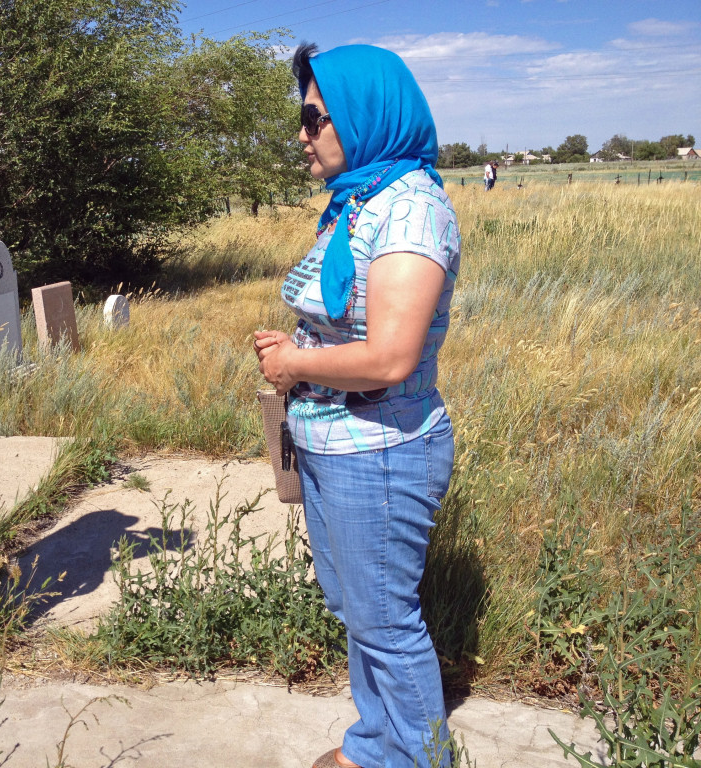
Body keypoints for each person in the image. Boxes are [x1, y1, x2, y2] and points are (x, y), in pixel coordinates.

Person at [254, 43, 460, 768]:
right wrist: (301, 342)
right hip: (339, 443)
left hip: (380, 449)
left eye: (315, 118)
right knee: (359, 614)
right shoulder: (362, 201)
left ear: (367, 115)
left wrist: (295, 364)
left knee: (385, 621)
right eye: (302, 119)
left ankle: (415, 758)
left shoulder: (410, 212)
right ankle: (379, 743)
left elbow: (390, 358)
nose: (301, 134)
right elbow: (355, 324)